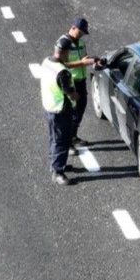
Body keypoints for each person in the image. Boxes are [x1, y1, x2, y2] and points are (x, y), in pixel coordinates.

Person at [41, 45, 80, 186]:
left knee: (54, 138)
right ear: (64, 52)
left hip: (49, 107)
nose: (69, 55)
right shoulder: (62, 72)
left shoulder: (47, 62)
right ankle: (57, 172)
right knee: (61, 141)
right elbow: (70, 93)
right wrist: (77, 96)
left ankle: (55, 164)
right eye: (69, 52)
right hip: (61, 110)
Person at [55, 17, 95, 148]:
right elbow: (60, 63)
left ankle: (73, 136)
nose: (82, 34)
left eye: (84, 32)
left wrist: (94, 60)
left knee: (80, 109)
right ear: (73, 28)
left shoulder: (81, 43)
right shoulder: (63, 43)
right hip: (70, 82)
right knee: (70, 113)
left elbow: (84, 58)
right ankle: (68, 143)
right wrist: (81, 63)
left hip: (81, 80)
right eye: (80, 31)